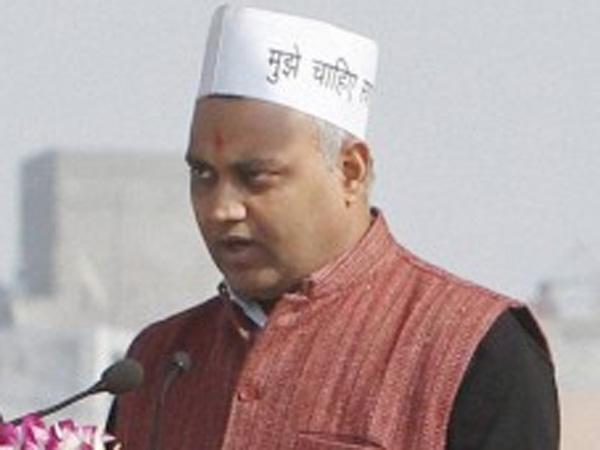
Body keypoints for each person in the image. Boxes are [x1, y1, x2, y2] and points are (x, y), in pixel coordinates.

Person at [108, 5, 559, 450]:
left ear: (350, 170)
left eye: (255, 177)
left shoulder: (474, 349)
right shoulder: (156, 362)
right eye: (203, 174)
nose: (221, 209)